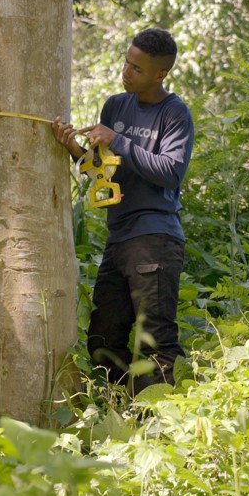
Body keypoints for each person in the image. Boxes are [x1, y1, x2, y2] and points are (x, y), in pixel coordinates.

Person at [53, 28, 194, 395]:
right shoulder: (115, 106)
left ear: (160, 74)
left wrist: (119, 139)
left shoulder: (174, 113)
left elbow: (170, 172)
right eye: (126, 63)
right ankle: (120, 411)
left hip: (155, 238)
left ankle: (160, 422)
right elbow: (103, 170)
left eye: (137, 69)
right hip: (119, 238)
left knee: (156, 340)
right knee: (104, 337)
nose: (126, 73)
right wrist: (73, 149)